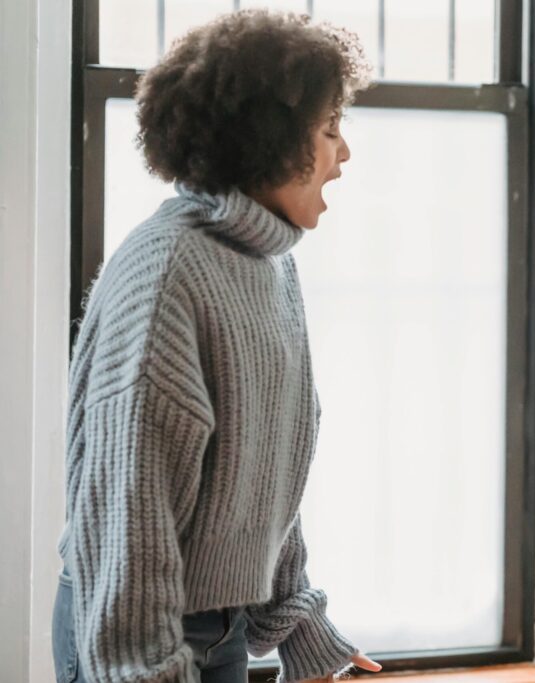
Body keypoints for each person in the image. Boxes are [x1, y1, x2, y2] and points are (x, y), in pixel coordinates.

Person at [52, 10, 382, 683]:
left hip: (214, 623)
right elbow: (129, 515)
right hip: (136, 636)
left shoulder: (267, 261)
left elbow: (257, 467)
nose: (343, 154)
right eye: (328, 130)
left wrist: (298, 625)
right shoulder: (169, 274)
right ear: (270, 141)